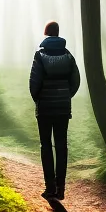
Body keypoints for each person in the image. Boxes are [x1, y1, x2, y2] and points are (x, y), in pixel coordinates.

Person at [29, 21, 81, 200]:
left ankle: (50, 187)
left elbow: (34, 83)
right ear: (58, 35)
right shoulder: (68, 56)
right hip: (63, 108)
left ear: (46, 34)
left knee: (46, 145)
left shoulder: (40, 55)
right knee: (61, 146)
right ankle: (61, 189)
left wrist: (39, 99)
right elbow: (76, 81)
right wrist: (66, 96)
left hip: (44, 108)